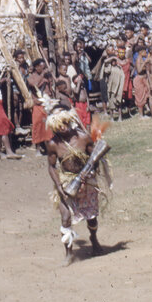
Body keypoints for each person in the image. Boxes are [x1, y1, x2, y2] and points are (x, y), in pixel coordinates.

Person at [46, 102, 110, 266]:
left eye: (65, 122)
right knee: (66, 218)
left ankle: (94, 241)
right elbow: (51, 166)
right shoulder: (53, 144)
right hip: (66, 182)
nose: (63, 127)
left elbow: (94, 157)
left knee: (91, 216)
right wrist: (60, 187)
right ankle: (68, 253)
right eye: (59, 124)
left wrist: (90, 171)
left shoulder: (83, 137)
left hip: (86, 181)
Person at [27, 58, 55, 148]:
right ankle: (38, 148)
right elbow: (35, 85)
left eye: (44, 67)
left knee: (48, 126)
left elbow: (50, 88)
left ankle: (49, 147)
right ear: (36, 67)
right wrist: (43, 74)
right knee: (37, 125)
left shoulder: (47, 76)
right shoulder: (31, 77)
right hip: (38, 105)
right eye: (42, 67)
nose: (43, 69)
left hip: (47, 105)